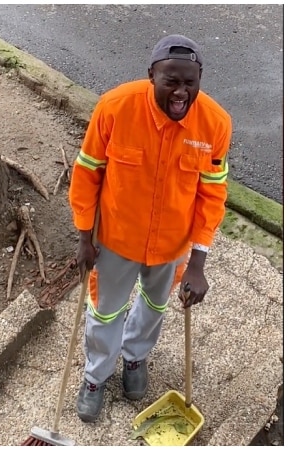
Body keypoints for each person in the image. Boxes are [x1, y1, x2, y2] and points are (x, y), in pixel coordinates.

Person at [69, 34, 232, 422]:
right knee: (105, 312)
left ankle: (135, 357)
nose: (180, 93)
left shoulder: (216, 123)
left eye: (189, 83)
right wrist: (84, 237)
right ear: (151, 75)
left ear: (200, 78)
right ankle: (96, 377)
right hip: (116, 240)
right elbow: (87, 174)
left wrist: (198, 262)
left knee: (156, 305)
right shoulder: (114, 107)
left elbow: (213, 195)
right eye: (170, 82)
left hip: (172, 245)